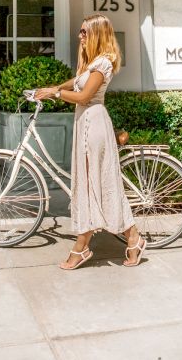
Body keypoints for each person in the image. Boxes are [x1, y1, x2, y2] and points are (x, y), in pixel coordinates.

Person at [35, 14, 146, 270]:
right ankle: (133, 238)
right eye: (80, 32)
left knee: (94, 184)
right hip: (85, 124)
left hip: (94, 125)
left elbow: (84, 95)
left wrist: (57, 93)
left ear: (96, 33)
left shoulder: (104, 62)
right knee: (98, 184)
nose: (80, 36)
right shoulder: (91, 62)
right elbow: (76, 82)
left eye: (84, 32)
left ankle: (81, 246)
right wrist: (53, 87)